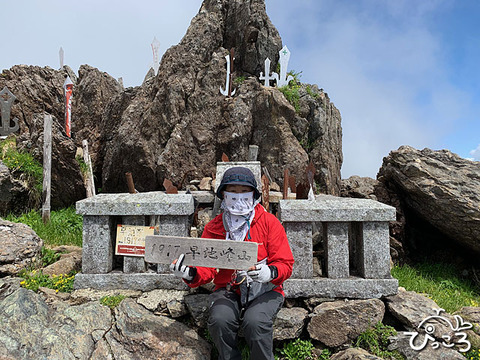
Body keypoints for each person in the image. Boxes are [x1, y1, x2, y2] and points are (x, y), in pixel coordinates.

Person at [170, 166, 294, 360]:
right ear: (223, 196)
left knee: (256, 322)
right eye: (233, 192)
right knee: (220, 319)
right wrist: (190, 274)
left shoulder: (269, 223)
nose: (239, 197)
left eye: (245, 191)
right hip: (228, 288)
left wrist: (269, 272)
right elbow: (206, 266)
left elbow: (285, 263)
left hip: (265, 290)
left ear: (254, 194)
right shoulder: (214, 227)